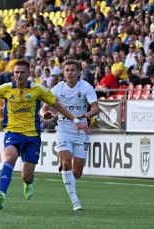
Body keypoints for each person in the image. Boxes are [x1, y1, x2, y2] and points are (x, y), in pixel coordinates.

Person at [0, 60, 90, 210]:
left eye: (22, 72)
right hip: (13, 132)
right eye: (16, 72)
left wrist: (76, 121)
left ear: (29, 74)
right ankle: (2, 194)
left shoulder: (38, 90)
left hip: (32, 136)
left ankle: (28, 184)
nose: (19, 75)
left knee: (27, 176)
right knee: (10, 157)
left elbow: (57, 105)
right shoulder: (5, 89)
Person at [40, 59, 100, 211]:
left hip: (81, 131)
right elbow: (43, 109)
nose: (70, 73)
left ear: (79, 72)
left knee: (77, 173)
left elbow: (96, 108)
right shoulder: (57, 89)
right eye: (67, 70)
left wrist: (86, 114)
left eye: (73, 70)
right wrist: (45, 114)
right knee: (66, 160)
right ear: (63, 72)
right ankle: (75, 201)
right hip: (64, 130)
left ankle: (67, 170)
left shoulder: (86, 87)